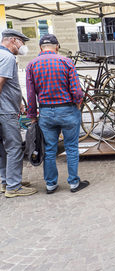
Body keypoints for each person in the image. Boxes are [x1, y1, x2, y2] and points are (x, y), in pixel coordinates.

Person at [26, 34, 89, 194]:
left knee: (49, 149)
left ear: (40, 47)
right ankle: (74, 182)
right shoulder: (66, 62)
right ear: (57, 46)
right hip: (67, 109)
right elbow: (76, 90)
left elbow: (31, 94)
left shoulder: (32, 65)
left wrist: (32, 115)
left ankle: (51, 184)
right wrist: (78, 103)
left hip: (46, 112)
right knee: (72, 147)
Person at [0, 29, 37, 198]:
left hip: (6, 108)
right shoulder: (7, 57)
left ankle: (5, 181)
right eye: (22, 42)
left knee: (3, 148)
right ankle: (13, 186)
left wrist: (19, 102)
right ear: (13, 40)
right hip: (5, 112)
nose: (23, 46)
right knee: (14, 147)